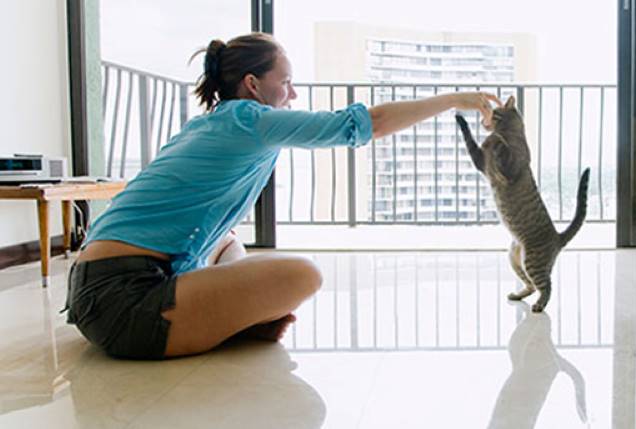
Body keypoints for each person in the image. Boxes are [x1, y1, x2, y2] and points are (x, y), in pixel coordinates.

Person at [64, 33, 500, 359]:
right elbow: (368, 123)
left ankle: (229, 317)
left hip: (94, 284)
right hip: (124, 303)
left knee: (228, 242)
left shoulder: (212, 122)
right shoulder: (251, 120)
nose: (292, 94)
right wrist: (454, 100)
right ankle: (233, 321)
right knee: (303, 275)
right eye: (286, 82)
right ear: (253, 84)